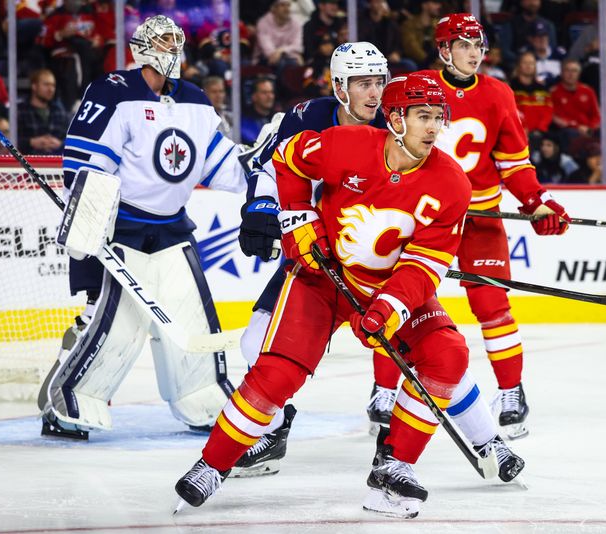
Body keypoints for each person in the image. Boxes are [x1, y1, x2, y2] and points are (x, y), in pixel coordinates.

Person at [175, 72, 515, 519]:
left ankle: (394, 471)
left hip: (383, 287)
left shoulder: (452, 183)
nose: (433, 128)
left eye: (438, 117)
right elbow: (287, 160)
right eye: (422, 117)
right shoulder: (345, 144)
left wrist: (390, 306)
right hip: (320, 280)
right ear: (395, 119)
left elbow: (425, 263)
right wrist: (298, 220)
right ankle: (212, 464)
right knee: (276, 372)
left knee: (448, 354)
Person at [235, 42, 525, 481]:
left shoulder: (400, 122)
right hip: (316, 258)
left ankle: (486, 439)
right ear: (339, 86)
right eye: (362, 84)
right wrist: (261, 208)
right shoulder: (307, 118)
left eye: (378, 82)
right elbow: (269, 166)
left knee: (429, 353)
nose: (373, 93)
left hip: (384, 267)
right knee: (256, 343)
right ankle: (272, 433)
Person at [37, 15, 247, 440]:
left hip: (172, 230)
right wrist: (91, 218)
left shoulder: (194, 99)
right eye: (165, 41)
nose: (174, 49)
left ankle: (202, 394)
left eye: (177, 41)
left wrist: (260, 166)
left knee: (192, 319)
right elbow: (84, 160)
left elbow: (219, 162)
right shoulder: (112, 91)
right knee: (118, 326)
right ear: (143, 47)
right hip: (124, 230)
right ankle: (72, 401)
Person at [412, 14, 570, 439]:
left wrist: (537, 201)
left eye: (478, 44)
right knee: (403, 302)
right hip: (425, 217)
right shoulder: (418, 86)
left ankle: (512, 391)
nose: (474, 52)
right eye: (464, 45)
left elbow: (514, 163)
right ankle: (384, 389)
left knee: (492, 306)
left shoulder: (498, 93)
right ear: (444, 49)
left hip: (481, 217)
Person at [17, 69, 70, 156]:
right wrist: (31, 142)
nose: (51, 89)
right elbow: (9, 140)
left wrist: (60, 144)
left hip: (55, 163)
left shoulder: (59, 111)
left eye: (53, 85)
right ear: (34, 86)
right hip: (27, 162)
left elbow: (70, 138)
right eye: (46, 85)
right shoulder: (19, 110)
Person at [241, 76, 278, 144]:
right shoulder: (244, 120)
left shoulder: (277, 118)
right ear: (254, 96)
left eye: (271, 92)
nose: (269, 96)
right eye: (264, 92)